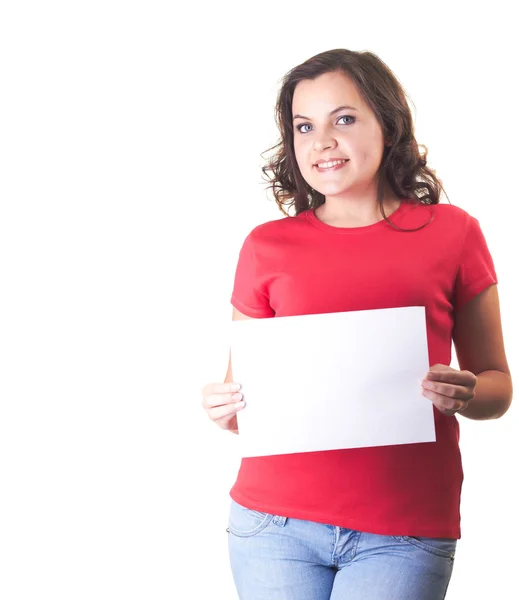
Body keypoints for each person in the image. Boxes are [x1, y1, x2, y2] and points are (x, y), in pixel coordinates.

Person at [200, 48, 513, 600]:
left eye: (343, 119)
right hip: (272, 526)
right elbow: (242, 404)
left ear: (388, 125)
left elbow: (496, 387)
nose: (322, 141)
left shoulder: (455, 233)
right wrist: (223, 408)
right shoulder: (265, 246)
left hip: (405, 530)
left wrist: (464, 393)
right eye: (304, 126)